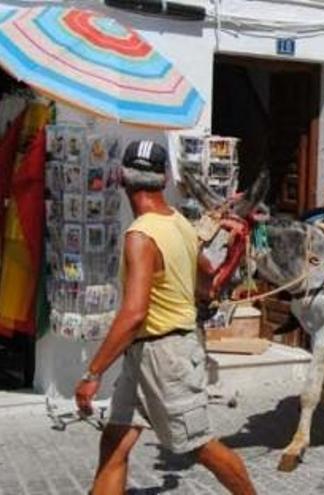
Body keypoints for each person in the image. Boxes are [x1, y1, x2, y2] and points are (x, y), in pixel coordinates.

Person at [74, 141, 255, 495]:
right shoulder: (179, 223)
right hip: (147, 353)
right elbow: (206, 283)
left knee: (200, 445)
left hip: (165, 355)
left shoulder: (140, 236)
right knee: (115, 440)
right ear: (165, 178)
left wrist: (92, 373)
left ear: (121, 179)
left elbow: (133, 312)